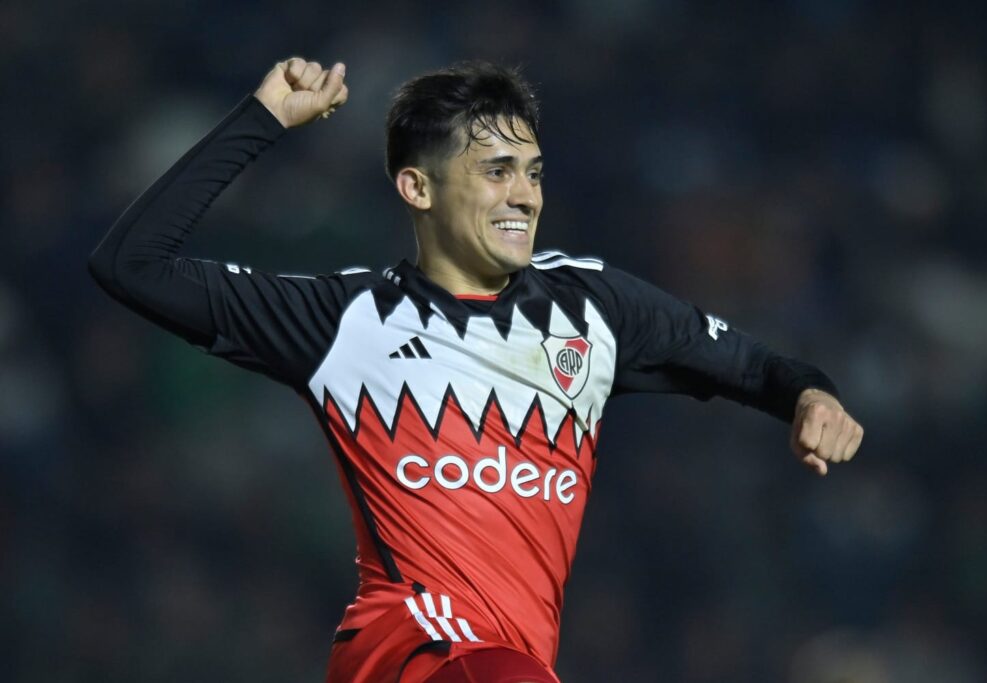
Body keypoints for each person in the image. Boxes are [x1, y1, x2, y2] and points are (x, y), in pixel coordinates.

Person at [89, 57, 864, 683]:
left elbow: (752, 365)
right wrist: (260, 121)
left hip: (515, 663)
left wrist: (810, 394)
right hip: (406, 653)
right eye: (496, 171)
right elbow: (132, 264)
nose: (523, 195)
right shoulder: (346, 321)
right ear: (416, 187)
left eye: (531, 172)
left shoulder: (593, 309)